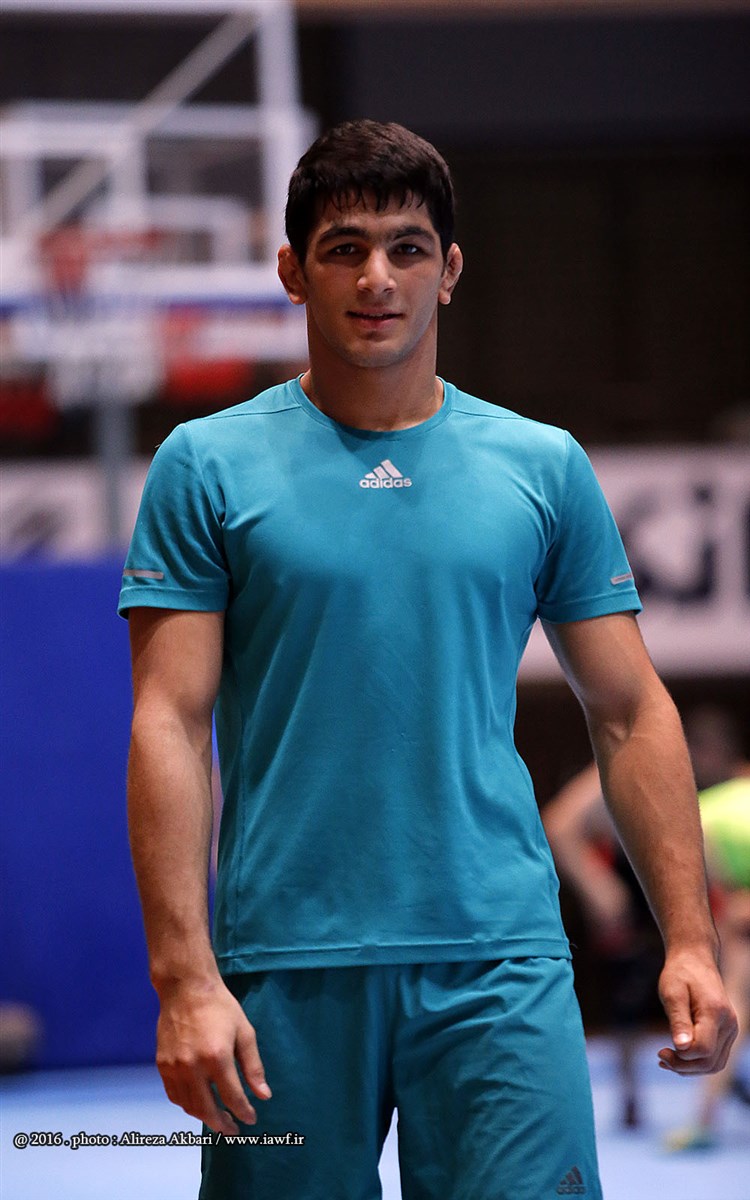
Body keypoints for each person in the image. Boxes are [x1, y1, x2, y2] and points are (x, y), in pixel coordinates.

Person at [120, 120, 737, 1200]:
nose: (377, 278)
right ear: (291, 272)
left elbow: (631, 711)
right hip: (286, 969)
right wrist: (184, 977)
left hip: (499, 960)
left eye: (407, 248)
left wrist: (690, 939)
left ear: (449, 270)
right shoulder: (204, 465)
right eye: (344, 249)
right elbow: (169, 722)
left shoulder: (543, 467)